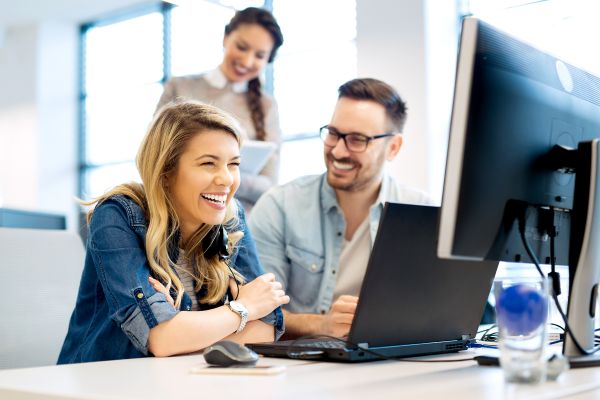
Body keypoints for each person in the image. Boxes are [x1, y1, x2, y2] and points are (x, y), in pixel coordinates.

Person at [58, 101, 289, 364]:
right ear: (166, 170)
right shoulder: (117, 215)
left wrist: (182, 329)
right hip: (99, 382)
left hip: (180, 382)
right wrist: (243, 308)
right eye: (208, 164)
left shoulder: (230, 218)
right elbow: (162, 339)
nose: (226, 179)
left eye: (233, 164)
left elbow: (266, 329)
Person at [248, 78, 431, 339]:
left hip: (392, 362)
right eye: (333, 133)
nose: (338, 150)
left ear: (393, 147)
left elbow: (439, 313)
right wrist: (322, 324)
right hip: (301, 368)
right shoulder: (279, 207)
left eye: (357, 139)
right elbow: (257, 313)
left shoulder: (423, 214)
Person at [156, 7, 283, 208]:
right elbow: (155, 156)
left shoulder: (267, 106)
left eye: (259, 56)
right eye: (242, 47)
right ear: (225, 38)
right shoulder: (179, 87)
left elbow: (269, 185)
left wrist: (220, 176)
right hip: (179, 214)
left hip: (239, 226)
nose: (247, 61)